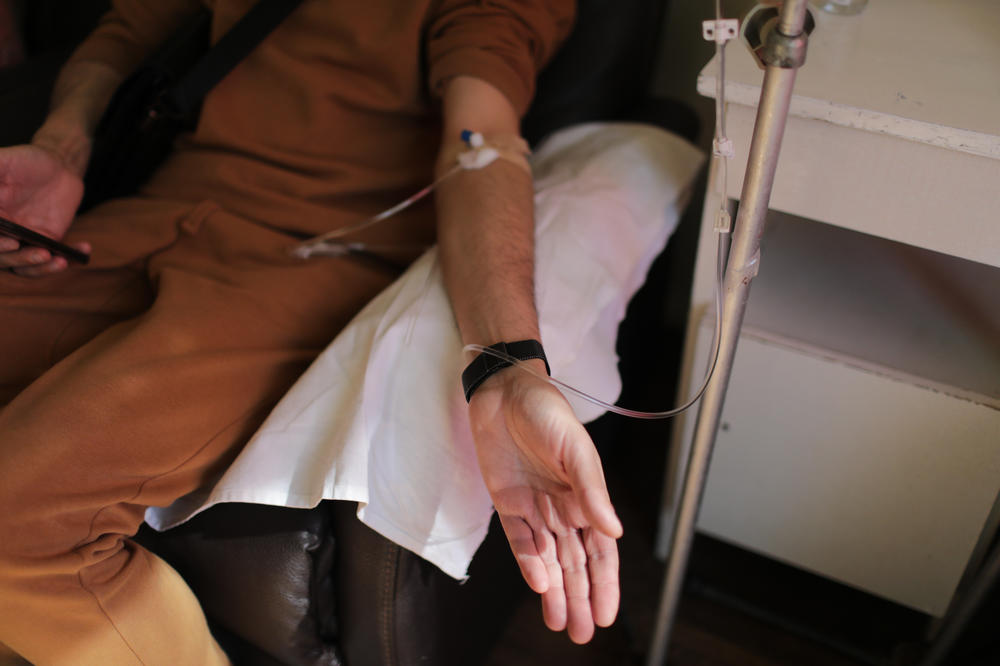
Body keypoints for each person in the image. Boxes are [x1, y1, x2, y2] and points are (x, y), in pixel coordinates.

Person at [0, 0, 623, 663]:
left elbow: (482, 141)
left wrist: (506, 364)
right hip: (159, 209)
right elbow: (127, 29)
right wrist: (61, 144)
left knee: (18, 517)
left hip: (312, 254)